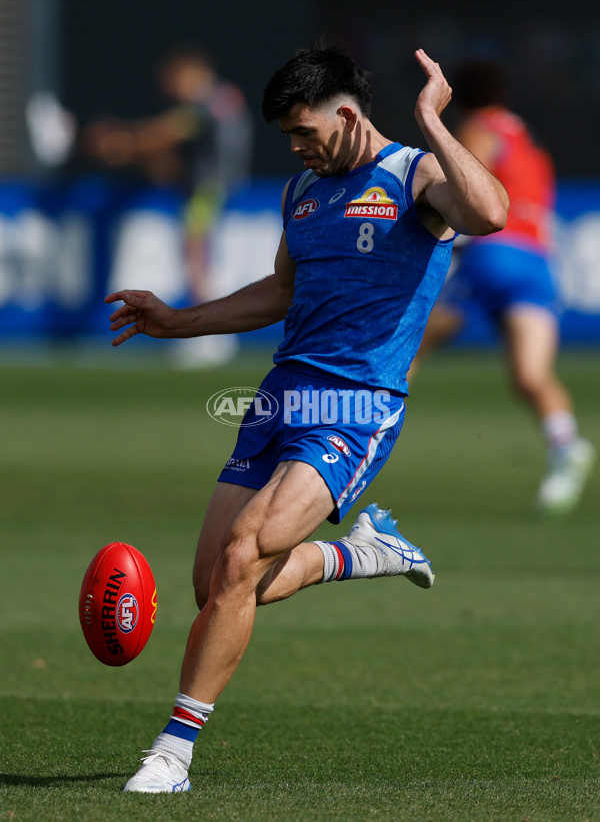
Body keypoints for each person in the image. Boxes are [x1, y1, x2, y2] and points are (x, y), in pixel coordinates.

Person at [105, 43, 508, 793]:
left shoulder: (415, 174)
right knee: (216, 583)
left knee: (242, 552)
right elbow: (280, 295)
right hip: (281, 395)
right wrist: (175, 320)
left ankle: (173, 751)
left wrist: (431, 120)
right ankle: (361, 553)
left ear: (348, 116)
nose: (295, 147)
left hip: (354, 408)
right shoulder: (302, 192)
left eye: (304, 132)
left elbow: (491, 211)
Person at [410, 58, 595, 515]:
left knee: (409, 344)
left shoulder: (479, 129)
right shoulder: (527, 135)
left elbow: (470, 187)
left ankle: (359, 433)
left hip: (496, 256)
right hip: (538, 262)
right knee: (531, 375)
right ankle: (566, 442)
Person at [84, 44, 253, 365]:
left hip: (207, 190)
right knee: (198, 256)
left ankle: (211, 335)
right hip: (210, 186)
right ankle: (212, 332)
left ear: (194, 72)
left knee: (196, 257)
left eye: (176, 79)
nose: (172, 87)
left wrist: (122, 139)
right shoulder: (222, 99)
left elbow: (165, 132)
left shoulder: (206, 102)